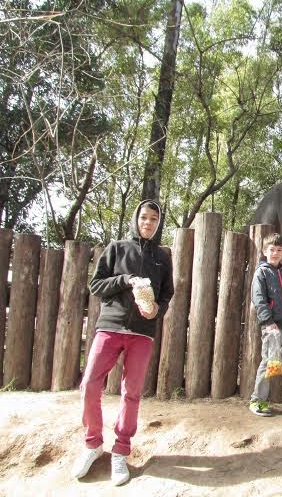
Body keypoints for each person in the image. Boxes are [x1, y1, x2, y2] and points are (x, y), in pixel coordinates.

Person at [71, 199, 174, 486]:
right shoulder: (116, 248)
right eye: (144, 217)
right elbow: (96, 285)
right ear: (136, 219)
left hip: (142, 332)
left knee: (132, 392)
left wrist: (157, 310)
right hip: (110, 326)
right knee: (90, 384)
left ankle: (121, 450)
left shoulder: (162, 257)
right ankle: (92, 444)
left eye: (154, 219)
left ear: (159, 223)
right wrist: (125, 280)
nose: (148, 223)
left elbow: (167, 293)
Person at [249, 233, 282, 420]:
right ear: (264, 251)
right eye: (272, 249)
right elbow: (259, 299)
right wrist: (268, 322)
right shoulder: (261, 273)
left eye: (279, 250)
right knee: (268, 363)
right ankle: (258, 400)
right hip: (272, 327)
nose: (275, 253)